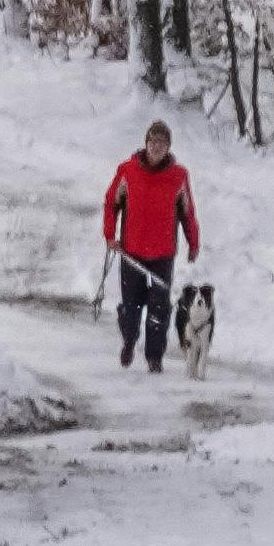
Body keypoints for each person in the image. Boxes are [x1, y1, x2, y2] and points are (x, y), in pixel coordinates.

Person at [98, 118, 201, 372]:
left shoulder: (178, 176)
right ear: (145, 144)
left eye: (162, 142)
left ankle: (155, 357)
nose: (157, 147)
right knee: (130, 308)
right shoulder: (128, 171)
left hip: (163, 254)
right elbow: (112, 203)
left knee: (159, 310)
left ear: (168, 147)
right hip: (131, 252)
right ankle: (130, 341)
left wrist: (193, 241)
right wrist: (110, 234)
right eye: (153, 141)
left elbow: (187, 212)